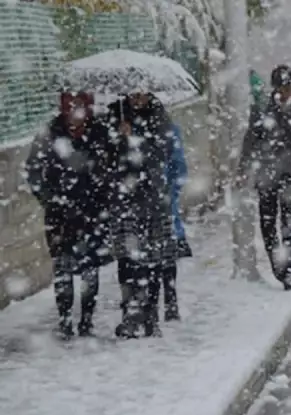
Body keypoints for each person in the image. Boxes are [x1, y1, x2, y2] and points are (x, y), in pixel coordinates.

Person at [24, 90, 117, 339]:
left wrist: (104, 189)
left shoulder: (100, 132)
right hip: (59, 214)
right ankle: (65, 318)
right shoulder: (50, 134)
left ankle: (87, 319)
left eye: (80, 106)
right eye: (70, 107)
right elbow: (33, 170)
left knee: (90, 267)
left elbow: (114, 167)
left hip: (92, 213)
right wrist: (48, 198)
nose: (75, 113)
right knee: (63, 267)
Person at [237, 64, 291, 290]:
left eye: (289, 86)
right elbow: (250, 142)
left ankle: (289, 271)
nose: (286, 92)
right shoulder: (262, 111)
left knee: (288, 226)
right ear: (275, 89)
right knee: (268, 224)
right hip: (267, 176)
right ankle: (279, 267)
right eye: (282, 87)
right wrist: (243, 169)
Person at [107, 90, 178, 338]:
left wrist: (135, 138)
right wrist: (118, 138)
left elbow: (162, 153)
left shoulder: (159, 117)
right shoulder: (114, 114)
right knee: (127, 260)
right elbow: (104, 156)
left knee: (152, 260)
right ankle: (130, 314)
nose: (137, 99)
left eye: (142, 94)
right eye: (133, 94)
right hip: (124, 200)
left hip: (152, 199)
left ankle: (150, 316)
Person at [154, 122, 192, 322]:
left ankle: (170, 301)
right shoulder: (121, 124)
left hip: (163, 203)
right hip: (139, 204)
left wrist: (170, 195)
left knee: (167, 255)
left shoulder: (165, 128)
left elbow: (179, 168)